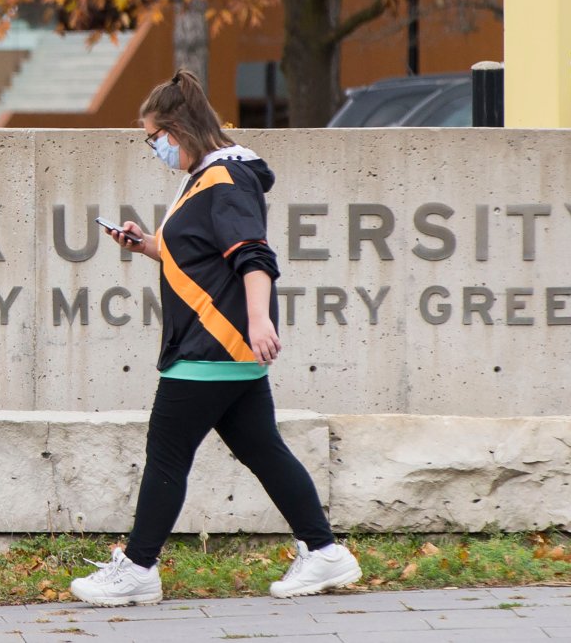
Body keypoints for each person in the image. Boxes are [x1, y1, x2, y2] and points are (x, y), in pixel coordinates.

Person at [69, 70, 362, 607]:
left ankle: (137, 568)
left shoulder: (225, 180)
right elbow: (201, 254)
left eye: (152, 138)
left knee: (166, 455)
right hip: (222, 349)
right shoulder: (207, 178)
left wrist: (259, 321)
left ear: (176, 130)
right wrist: (147, 246)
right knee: (264, 450)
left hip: (212, 345)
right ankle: (324, 552)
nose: (152, 148)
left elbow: (253, 254)